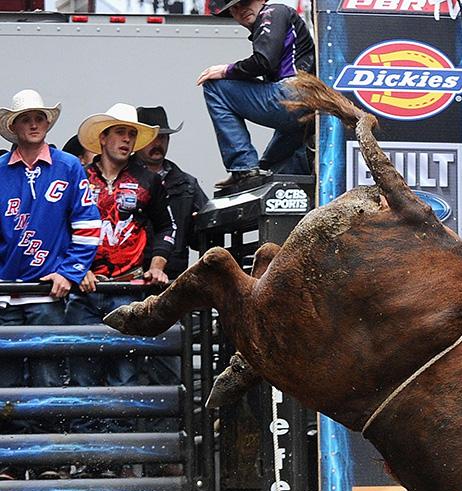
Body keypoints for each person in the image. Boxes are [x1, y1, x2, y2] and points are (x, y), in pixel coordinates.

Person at [0, 89, 99, 479]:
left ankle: (47, 461)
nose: (35, 122)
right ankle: (9, 460)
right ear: (14, 127)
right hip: (5, 294)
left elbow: (89, 226)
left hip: (46, 291)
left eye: (39, 116)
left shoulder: (69, 166)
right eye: (26, 118)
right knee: (5, 381)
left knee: (46, 376)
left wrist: (69, 272)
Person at [69, 104, 175, 396]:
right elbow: (61, 229)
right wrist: (79, 269)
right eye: (119, 133)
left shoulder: (149, 180)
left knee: (124, 379)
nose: (126, 140)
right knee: (82, 379)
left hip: (129, 288)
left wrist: (157, 265)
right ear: (103, 138)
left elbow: (168, 226)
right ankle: (83, 440)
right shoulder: (77, 178)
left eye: (131, 134)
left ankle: (122, 437)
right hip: (85, 291)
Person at [198, 0, 315, 186]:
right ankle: (249, 174)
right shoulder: (276, 17)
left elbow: (264, 60)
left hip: (295, 93)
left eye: (244, 2)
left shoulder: (272, 12)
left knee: (215, 85)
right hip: (308, 110)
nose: (240, 10)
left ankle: (242, 167)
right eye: (233, 9)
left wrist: (226, 70)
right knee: (269, 169)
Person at [135, 106, 207, 279]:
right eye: (152, 137)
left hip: (172, 278)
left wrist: (199, 224)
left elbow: (202, 238)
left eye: (163, 137)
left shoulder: (187, 184)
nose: (158, 143)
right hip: (129, 275)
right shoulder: (124, 178)